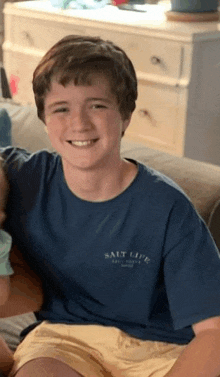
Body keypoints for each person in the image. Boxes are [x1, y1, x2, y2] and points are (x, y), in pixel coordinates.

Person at [0, 34, 220, 377]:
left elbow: (213, 332)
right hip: (64, 338)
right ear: (43, 117)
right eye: (61, 109)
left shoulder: (166, 208)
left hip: (158, 349)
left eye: (97, 105)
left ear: (126, 115)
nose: (80, 123)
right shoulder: (22, 177)